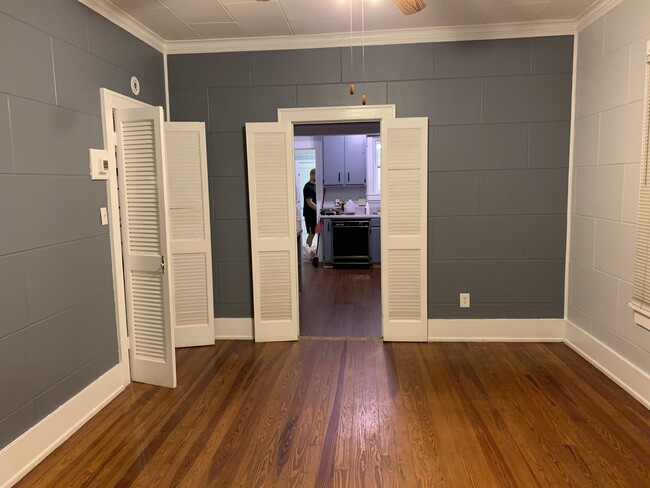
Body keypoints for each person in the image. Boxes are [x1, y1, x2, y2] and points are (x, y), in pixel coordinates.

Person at [303, 168, 317, 248]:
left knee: (314, 233)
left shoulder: (315, 186)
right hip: (310, 215)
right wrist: (318, 210)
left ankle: (311, 252)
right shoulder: (308, 187)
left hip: (314, 215)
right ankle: (307, 253)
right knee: (311, 234)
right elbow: (309, 203)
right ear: (312, 175)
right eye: (316, 175)